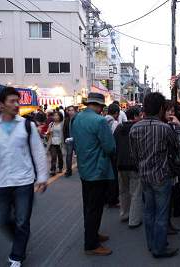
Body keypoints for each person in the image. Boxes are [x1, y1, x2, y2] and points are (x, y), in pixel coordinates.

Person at [0, 87, 48, 267]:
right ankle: (21, 237)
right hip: (2, 182)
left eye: (18, 101)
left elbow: (38, 152)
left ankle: (16, 256)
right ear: (1, 104)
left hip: (24, 181)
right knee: (2, 220)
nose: (16, 105)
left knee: (22, 220)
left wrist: (42, 177)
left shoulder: (27, 125)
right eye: (12, 101)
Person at [129, 93, 180, 258]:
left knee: (148, 212)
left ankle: (152, 244)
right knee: (161, 213)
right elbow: (177, 146)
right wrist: (178, 127)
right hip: (161, 176)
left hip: (144, 176)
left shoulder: (134, 128)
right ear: (160, 109)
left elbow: (134, 155)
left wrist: (142, 166)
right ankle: (159, 248)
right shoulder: (165, 128)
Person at [71, 92, 116, 256]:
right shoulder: (100, 121)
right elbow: (110, 147)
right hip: (98, 169)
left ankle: (92, 234)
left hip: (84, 168)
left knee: (88, 206)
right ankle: (91, 244)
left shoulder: (76, 119)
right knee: (95, 208)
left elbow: (74, 141)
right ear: (99, 106)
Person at [114, 107, 142, 227]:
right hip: (134, 164)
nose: (141, 117)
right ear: (135, 116)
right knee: (136, 192)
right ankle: (134, 220)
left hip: (121, 163)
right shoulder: (138, 128)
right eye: (139, 115)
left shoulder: (119, 128)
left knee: (123, 190)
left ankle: (124, 214)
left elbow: (113, 145)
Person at [47, 111, 64, 176]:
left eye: (57, 115)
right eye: (54, 115)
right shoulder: (51, 124)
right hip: (52, 142)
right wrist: (48, 132)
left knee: (60, 156)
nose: (55, 117)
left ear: (60, 116)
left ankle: (60, 167)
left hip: (60, 142)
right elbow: (48, 131)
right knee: (53, 156)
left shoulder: (62, 123)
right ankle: (53, 169)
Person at [63, 106, 76, 177]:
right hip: (69, 140)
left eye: (72, 110)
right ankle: (68, 170)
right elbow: (64, 130)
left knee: (79, 155)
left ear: (75, 111)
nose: (70, 112)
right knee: (69, 155)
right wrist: (65, 139)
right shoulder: (66, 119)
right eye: (69, 110)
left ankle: (81, 168)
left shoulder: (78, 119)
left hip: (77, 139)